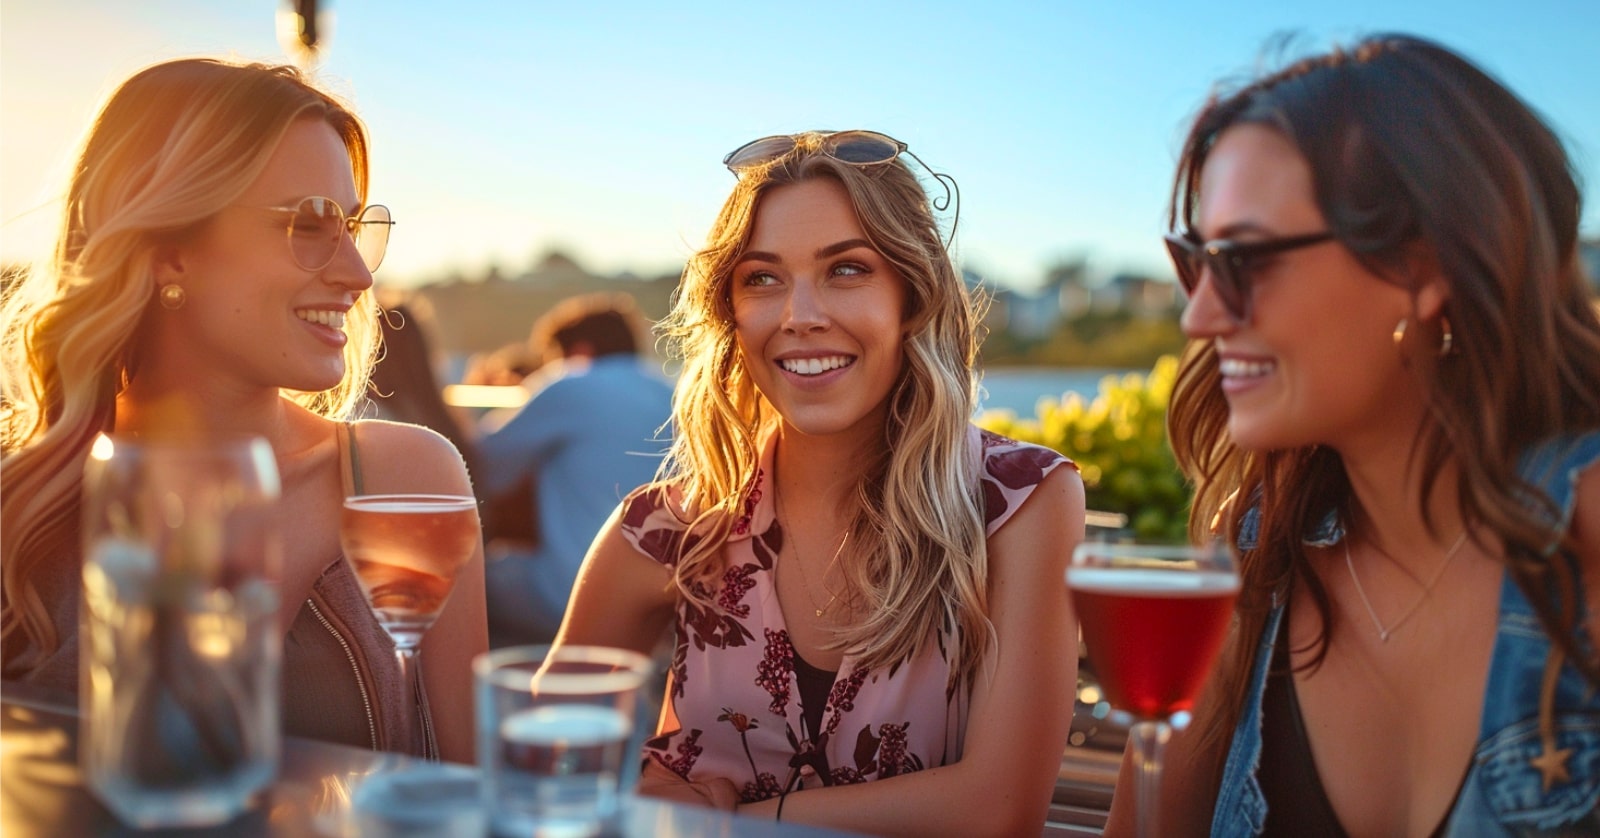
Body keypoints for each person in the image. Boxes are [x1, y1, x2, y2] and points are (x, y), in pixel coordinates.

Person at [1115, 35, 1600, 836]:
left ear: (1422, 268)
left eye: (1241, 260)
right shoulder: (1260, 548)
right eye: (1195, 261)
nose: (1197, 315)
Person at [553, 130, 1087, 834]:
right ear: (731, 316)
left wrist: (739, 821)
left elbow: (1000, 809)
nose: (800, 316)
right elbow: (544, 752)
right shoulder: (663, 529)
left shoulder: (1019, 502)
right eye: (763, 278)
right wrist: (636, 785)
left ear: (912, 296)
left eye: (847, 270)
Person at [0, 58, 487, 764]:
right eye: (313, 221)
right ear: (170, 253)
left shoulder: (405, 481)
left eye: (354, 224)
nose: (358, 272)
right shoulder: (20, 508)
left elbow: (472, 795)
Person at [477, 292, 674, 646]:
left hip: (569, 594)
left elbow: (480, 465)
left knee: (463, 574)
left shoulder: (570, 383)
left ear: (579, 352)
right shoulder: (668, 392)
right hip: (660, 607)